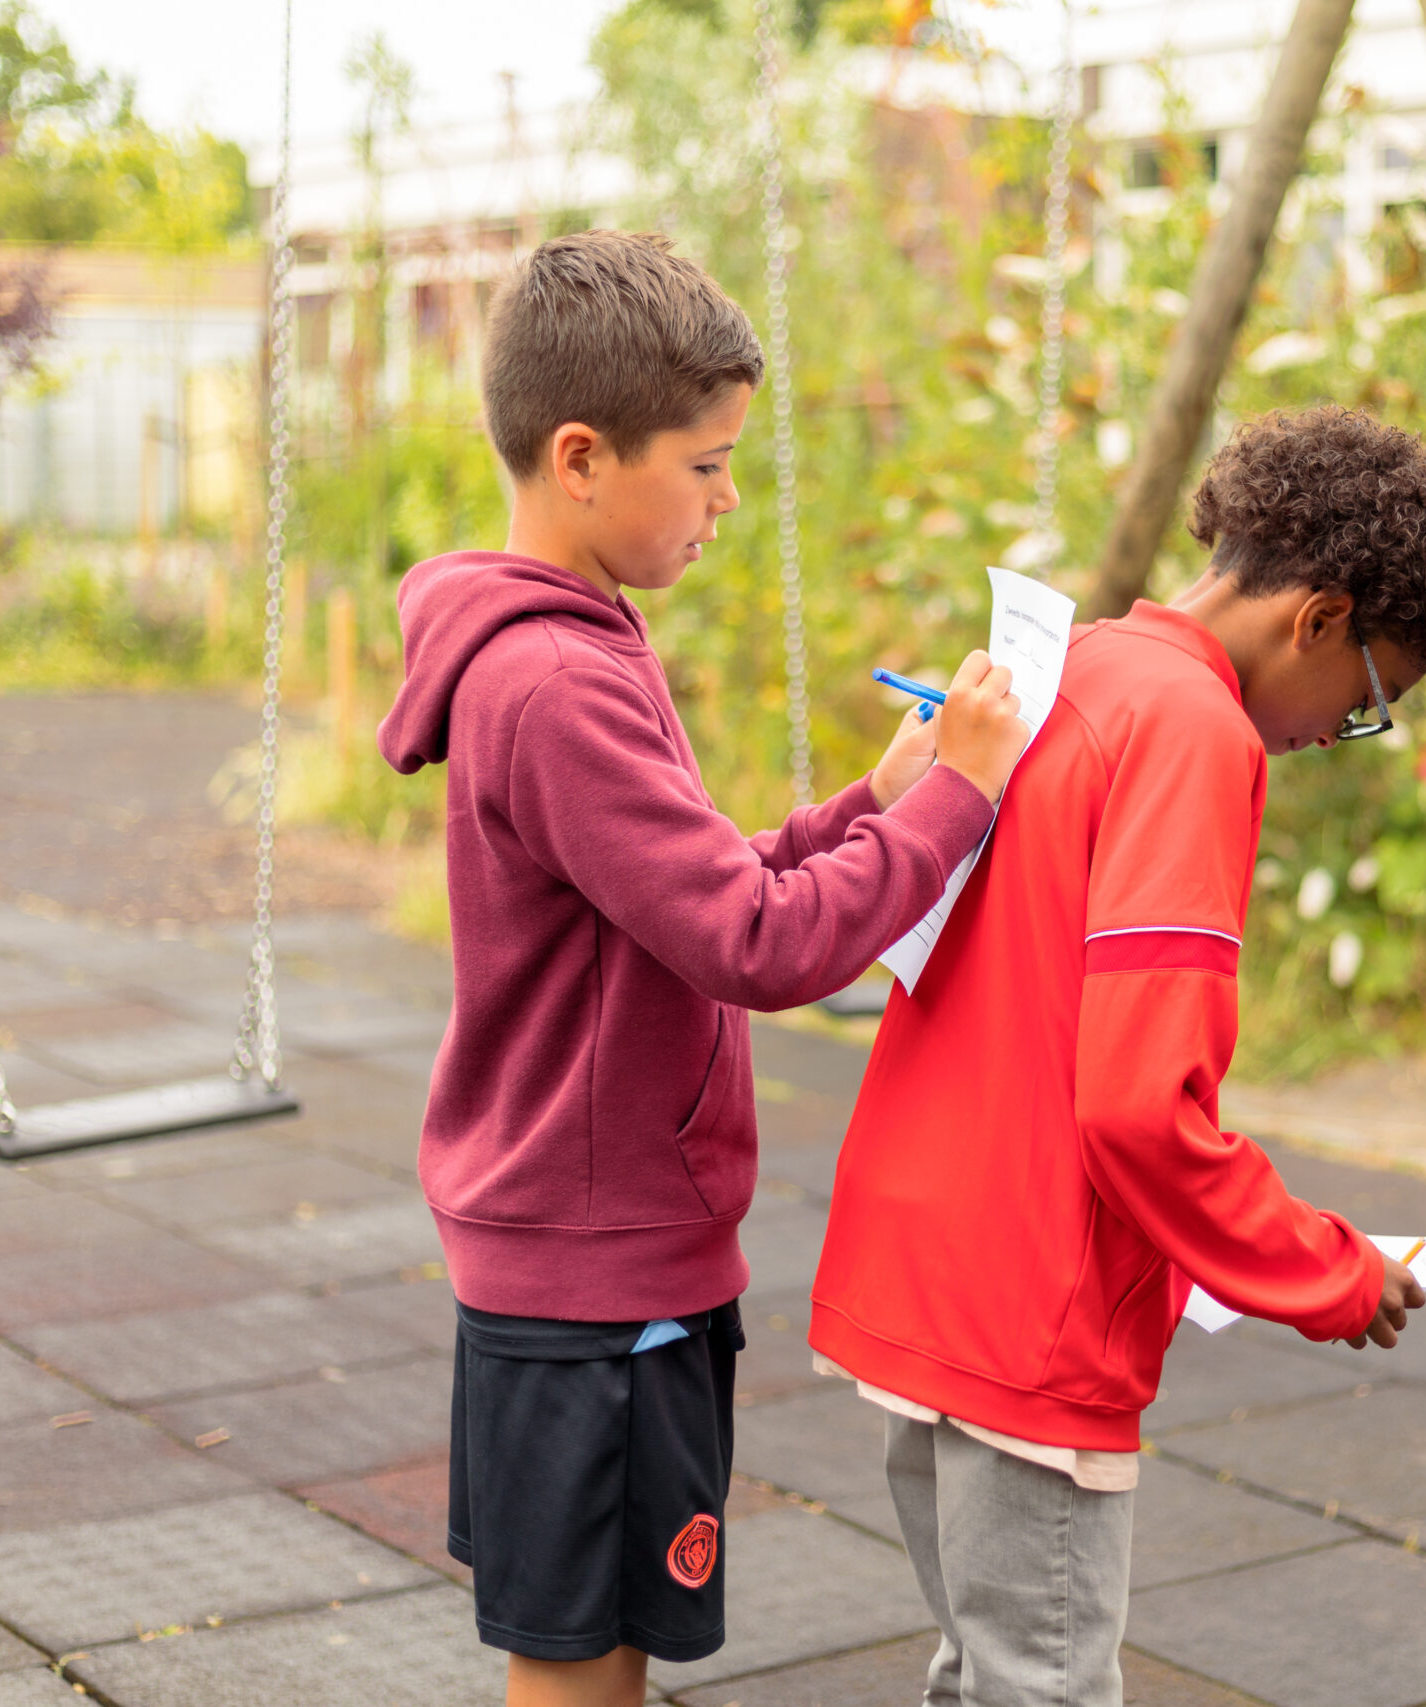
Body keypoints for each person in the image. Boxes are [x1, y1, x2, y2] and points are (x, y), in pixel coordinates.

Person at [375, 228, 1030, 1707]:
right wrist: (960, 803)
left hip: (592, 1253)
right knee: (579, 1670)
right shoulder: (554, 681)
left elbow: (694, 881)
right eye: (710, 463)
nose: (732, 501)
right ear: (584, 456)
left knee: (595, 1649)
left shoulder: (576, 644)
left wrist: (873, 804)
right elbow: (756, 942)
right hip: (595, 1273)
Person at [809, 404, 1426, 1707]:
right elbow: (1137, 1107)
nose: (1337, 736)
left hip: (917, 1268)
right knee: (1043, 1687)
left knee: (977, 1674)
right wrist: (1327, 1271)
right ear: (1319, 618)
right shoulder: (1194, 731)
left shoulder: (1066, 667)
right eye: (1369, 701)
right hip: (1033, 1309)